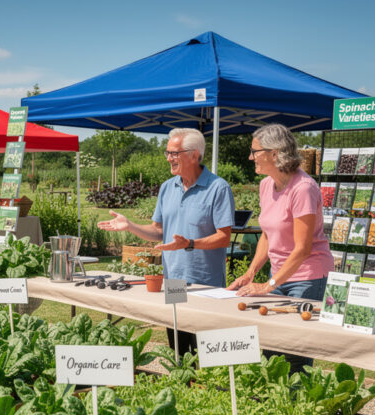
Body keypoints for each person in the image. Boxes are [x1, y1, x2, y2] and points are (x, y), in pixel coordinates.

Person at [98, 127, 234, 355]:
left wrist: (190, 243)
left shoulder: (218, 188)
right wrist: (129, 225)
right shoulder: (166, 188)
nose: (169, 158)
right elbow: (158, 231)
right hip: (173, 282)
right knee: (178, 350)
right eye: (167, 153)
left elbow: (224, 237)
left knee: (207, 352)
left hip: (206, 284)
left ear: (194, 154)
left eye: (174, 153)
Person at [227, 123, 333, 372]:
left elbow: (302, 249)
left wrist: (268, 285)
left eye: (255, 151)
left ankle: (299, 408)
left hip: (307, 277)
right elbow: (267, 234)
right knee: (271, 345)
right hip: (280, 276)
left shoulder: (303, 188)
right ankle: (273, 405)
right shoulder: (266, 185)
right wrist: (250, 273)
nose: (250, 156)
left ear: (274, 153)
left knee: (295, 352)